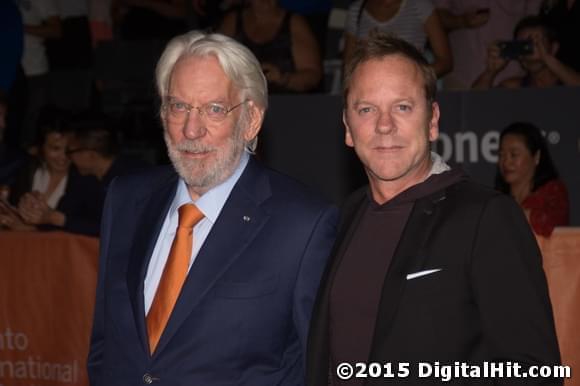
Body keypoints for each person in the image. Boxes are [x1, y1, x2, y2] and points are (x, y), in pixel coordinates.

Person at [306, 33, 561, 385]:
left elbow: (533, 370)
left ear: (433, 120)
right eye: (367, 109)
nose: (384, 125)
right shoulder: (346, 215)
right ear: (348, 128)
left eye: (403, 107)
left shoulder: (487, 217)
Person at [87, 31, 337, 386]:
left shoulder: (302, 225)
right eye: (179, 106)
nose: (191, 129)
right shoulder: (125, 199)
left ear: (250, 120)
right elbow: (105, 343)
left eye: (214, 109)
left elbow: (317, 368)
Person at [0, 108, 103, 235]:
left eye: (69, 149)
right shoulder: (24, 170)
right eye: (55, 148)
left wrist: (32, 229)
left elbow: (95, 227)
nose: (63, 157)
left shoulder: (84, 179)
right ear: (40, 147)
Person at [219, 0, 322, 93]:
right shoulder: (232, 21)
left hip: (286, 101)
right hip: (241, 99)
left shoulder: (295, 23)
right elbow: (216, 64)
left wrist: (282, 79)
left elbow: (313, 76)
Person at [434, 0, 541, 89]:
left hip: (515, 77)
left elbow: (534, 21)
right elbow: (435, 16)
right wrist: (461, 21)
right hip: (464, 75)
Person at [343, 0, 452, 77]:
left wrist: (414, 76)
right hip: (368, 89)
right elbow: (348, 67)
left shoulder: (420, 5)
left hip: (408, 91)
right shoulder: (356, 10)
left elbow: (445, 61)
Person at [496, 122, 569, 237]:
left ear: (536, 157)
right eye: (501, 155)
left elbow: (553, 225)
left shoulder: (552, 192)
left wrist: (520, 215)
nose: (506, 162)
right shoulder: (496, 199)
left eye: (514, 155)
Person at [472, 15, 580, 88]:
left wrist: (548, 59)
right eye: (521, 45)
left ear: (554, 48)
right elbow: (473, 104)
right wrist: (490, 72)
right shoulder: (514, 87)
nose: (528, 49)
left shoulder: (569, 80)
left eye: (537, 42)